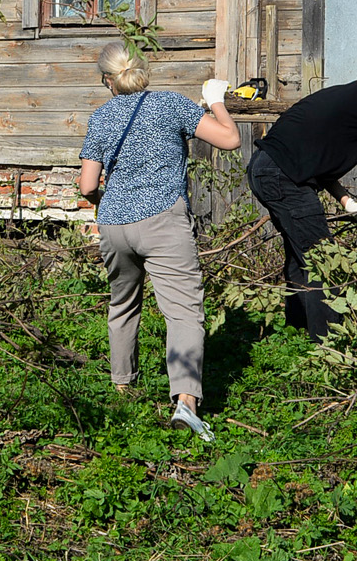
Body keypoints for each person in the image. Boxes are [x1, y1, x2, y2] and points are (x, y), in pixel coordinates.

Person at [78, 42, 241, 441]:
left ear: (108, 80)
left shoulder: (100, 117)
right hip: (163, 220)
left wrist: (114, 204)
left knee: (122, 305)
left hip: (114, 224)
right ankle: (185, 403)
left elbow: (86, 186)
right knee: (183, 312)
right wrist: (216, 101)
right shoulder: (170, 104)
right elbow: (229, 140)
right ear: (142, 72)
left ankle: (121, 390)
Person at [246, 54, 357, 339]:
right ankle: (330, 345)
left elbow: (317, 160)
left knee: (301, 253)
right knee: (325, 259)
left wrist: (347, 200)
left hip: (264, 168)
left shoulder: (351, 95)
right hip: (282, 175)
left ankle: (297, 331)